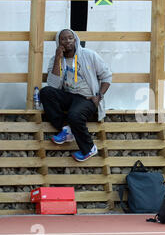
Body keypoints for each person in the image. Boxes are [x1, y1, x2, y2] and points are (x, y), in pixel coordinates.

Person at [40, 29, 112, 162]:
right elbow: (53, 85)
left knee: (74, 115)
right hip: (69, 96)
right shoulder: (56, 59)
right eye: (63, 39)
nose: (67, 41)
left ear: (75, 40)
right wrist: (57, 58)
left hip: (87, 98)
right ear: (58, 42)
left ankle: (89, 148)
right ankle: (66, 129)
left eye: (70, 38)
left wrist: (99, 96)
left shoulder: (88, 55)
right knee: (45, 92)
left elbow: (107, 76)